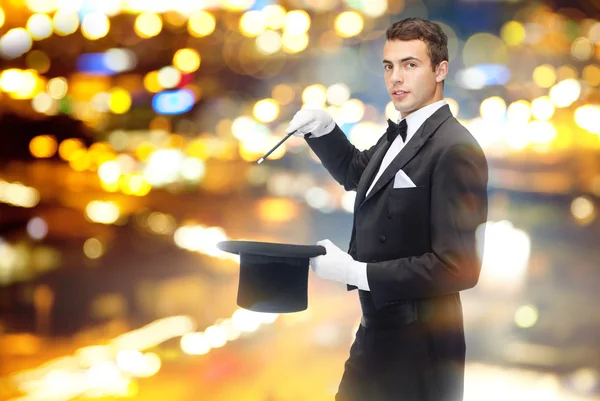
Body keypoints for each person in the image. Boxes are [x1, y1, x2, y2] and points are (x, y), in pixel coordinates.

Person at [285, 17, 489, 401]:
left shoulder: (456, 148)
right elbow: (357, 174)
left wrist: (356, 271)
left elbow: (459, 266)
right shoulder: (402, 128)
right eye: (389, 66)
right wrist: (323, 129)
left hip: (419, 349)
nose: (396, 77)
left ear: (440, 70)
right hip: (375, 333)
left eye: (410, 65)